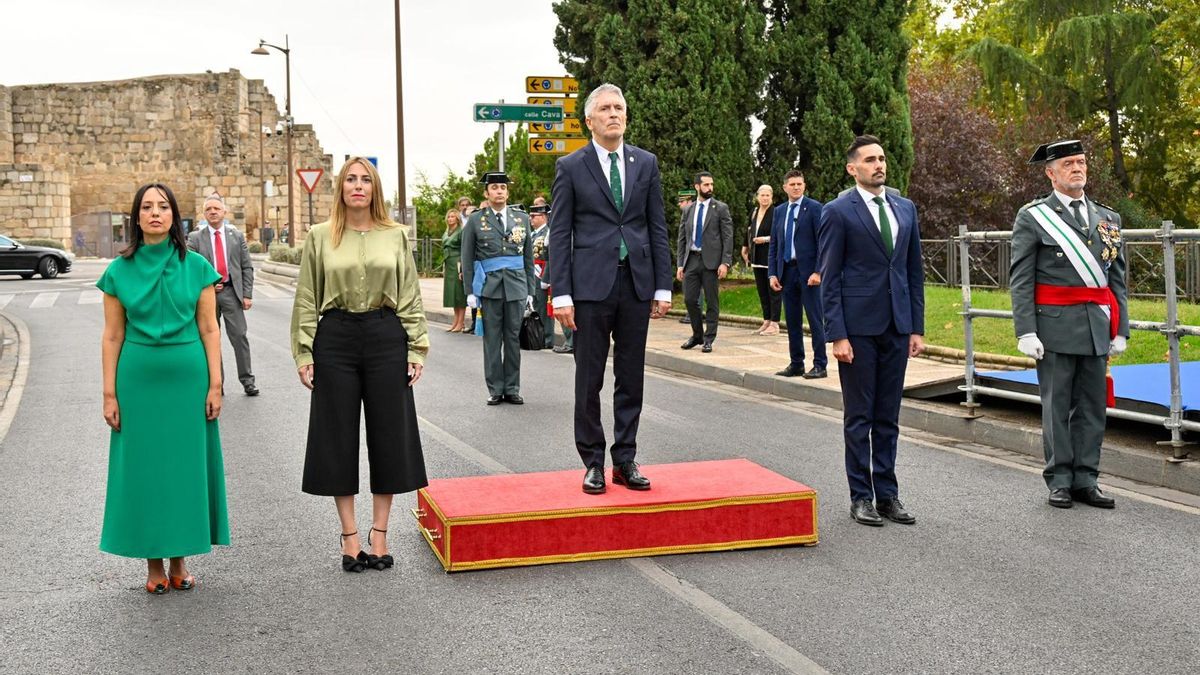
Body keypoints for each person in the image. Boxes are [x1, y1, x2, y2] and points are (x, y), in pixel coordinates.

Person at [290, 157, 429, 573]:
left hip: (387, 335)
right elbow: (305, 297)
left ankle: (380, 534)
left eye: (364, 180)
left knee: (390, 434)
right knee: (337, 435)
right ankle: (350, 537)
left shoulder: (394, 235)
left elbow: (409, 292)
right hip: (335, 337)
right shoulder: (320, 236)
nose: (357, 186)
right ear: (340, 188)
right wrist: (304, 351)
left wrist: (416, 347)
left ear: (375, 188)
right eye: (350, 179)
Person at [97, 182, 228, 594]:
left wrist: (216, 383)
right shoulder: (118, 271)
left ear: (175, 216)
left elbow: (209, 328)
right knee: (147, 471)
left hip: (188, 381)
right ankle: (154, 566)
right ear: (136, 218)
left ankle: (180, 563)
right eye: (147, 207)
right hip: (137, 382)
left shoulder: (197, 266)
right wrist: (109, 393)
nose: (156, 213)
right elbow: (112, 336)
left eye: (164, 206)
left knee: (184, 471)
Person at [549, 83, 673, 494]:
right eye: (605, 109)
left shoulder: (645, 163)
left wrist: (663, 286)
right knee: (589, 378)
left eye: (619, 107)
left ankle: (625, 459)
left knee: (631, 375)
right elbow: (560, 232)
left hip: (636, 283)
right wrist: (561, 293)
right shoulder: (571, 166)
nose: (614, 114)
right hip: (589, 287)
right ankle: (593, 462)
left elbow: (657, 226)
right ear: (589, 120)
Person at [1009, 139, 1129, 510]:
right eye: (1068, 164)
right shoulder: (1033, 217)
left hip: (1096, 326)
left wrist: (1121, 328)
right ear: (1051, 173)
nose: (1078, 169)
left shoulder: (1108, 218)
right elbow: (1021, 278)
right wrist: (1025, 330)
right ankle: (1059, 479)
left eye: (1081, 162)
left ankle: (1086, 479)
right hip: (1054, 328)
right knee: (1057, 406)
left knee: (1093, 408)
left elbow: (1118, 279)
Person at [818, 135, 925, 527]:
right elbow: (830, 278)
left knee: (888, 416)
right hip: (858, 329)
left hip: (897, 326)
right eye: (870, 160)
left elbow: (913, 271)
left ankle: (889, 496)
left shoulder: (905, 208)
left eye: (882, 158)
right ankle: (860, 496)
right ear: (853, 168)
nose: (879, 165)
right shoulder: (837, 211)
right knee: (859, 416)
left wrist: (916, 327)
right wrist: (837, 334)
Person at [461, 171, 536, 405]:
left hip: (515, 285)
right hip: (490, 286)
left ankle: (512, 387)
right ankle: (495, 388)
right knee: (492, 339)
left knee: (512, 337)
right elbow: (467, 255)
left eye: (503, 187)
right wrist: (470, 292)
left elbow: (528, 257)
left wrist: (531, 291)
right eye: (494, 188)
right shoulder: (476, 220)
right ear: (486, 193)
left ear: (508, 191)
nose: (499, 191)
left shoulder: (521, 218)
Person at [187, 194, 259, 396]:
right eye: (208, 209)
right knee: (210, 339)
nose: (212, 212)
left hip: (231, 293)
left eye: (216, 208)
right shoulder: (194, 238)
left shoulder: (236, 236)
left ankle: (248, 381)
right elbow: (190, 269)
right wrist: (207, 284)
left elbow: (247, 267)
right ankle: (217, 383)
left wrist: (247, 294)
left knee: (240, 337)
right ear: (204, 213)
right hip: (206, 296)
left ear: (224, 212)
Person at [769, 170, 827, 378]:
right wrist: (773, 273)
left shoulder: (814, 208)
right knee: (792, 321)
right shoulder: (780, 211)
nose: (796, 187)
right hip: (787, 272)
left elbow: (823, 242)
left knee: (814, 319)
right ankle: (796, 363)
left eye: (799, 184)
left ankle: (820, 364)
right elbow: (774, 244)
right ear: (784, 187)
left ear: (804, 186)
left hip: (809, 274)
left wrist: (818, 271)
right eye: (792, 184)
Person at [676, 171, 733, 353]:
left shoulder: (721, 208)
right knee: (690, 299)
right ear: (697, 187)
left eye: (711, 184)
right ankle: (697, 335)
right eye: (706, 185)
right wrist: (680, 264)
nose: (710, 188)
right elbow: (682, 239)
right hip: (691, 260)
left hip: (712, 262)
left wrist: (725, 262)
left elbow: (728, 237)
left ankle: (709, 338)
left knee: (711, 301)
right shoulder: (688, 210)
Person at [530, 203, 573, 351]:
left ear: (543, 217)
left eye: (534, 216)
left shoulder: (548, 233)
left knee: (548, 309)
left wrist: (546, 277)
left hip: (546, 273)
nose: (531, 219)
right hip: (537, 273)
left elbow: (549, 257)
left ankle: (550, 339)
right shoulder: (535, 234)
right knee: (539, 307)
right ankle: (542, 338)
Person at [743, 184, 781, 335]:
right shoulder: (754, 212)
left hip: (770, 255)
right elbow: (749, 230)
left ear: (772, 197)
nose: (765, 198)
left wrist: (765, 239)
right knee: (762, 290)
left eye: (768, 196)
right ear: (757, 197)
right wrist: (745, 246)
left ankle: (775, 322)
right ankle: (766, 320)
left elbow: (780, 235)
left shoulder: (776, 212)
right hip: (756, 255)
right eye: (762, 195)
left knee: (773, 289)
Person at [440, 208, 467, 332]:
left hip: (457, 263)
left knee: (459, 294)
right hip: (448, 262)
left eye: (452, 216)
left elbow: (464, 250)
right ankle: (455, 321)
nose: (450, 218)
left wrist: (462, 268)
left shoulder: (461, 231)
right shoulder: (447, 231)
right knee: (452, 294)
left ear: (457, 218)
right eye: (449, 216)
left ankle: (461, 322)